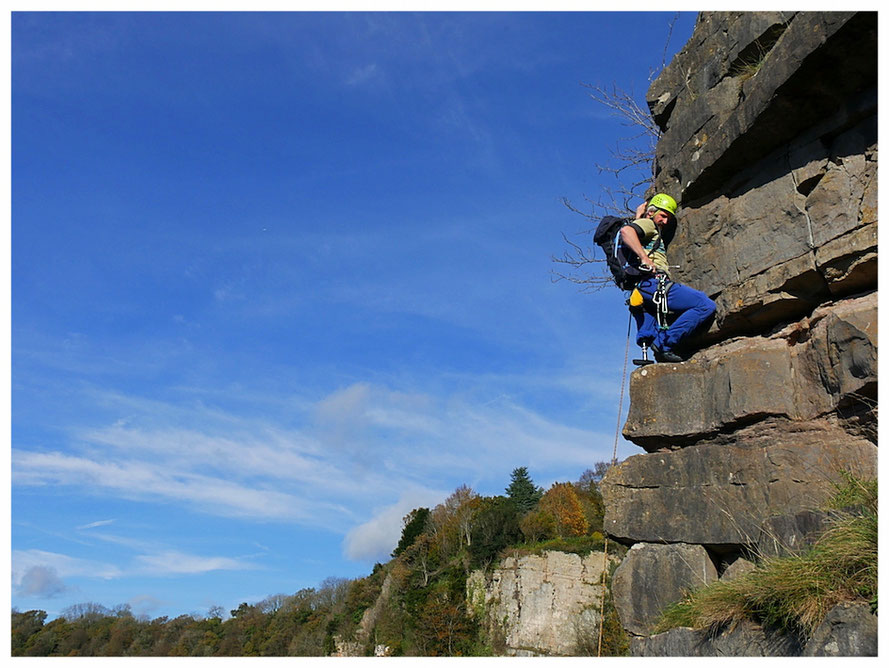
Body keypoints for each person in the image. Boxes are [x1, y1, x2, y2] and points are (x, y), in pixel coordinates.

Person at [619, 193, 716, 363]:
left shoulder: (646, 224)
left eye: (668, 218)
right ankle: (665, 342)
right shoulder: (649, 224)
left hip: (642, 290)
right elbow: (626, 231)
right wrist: (644, 258)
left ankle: (659, 348)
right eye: (663, 216)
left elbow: (635, 232)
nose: (665, 221)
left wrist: (638, 217)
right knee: (704, 305)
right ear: (651, 212)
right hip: (653, 284)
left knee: (649, 333)